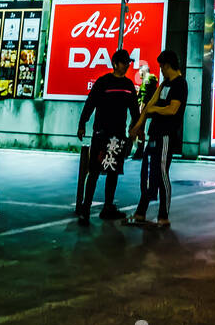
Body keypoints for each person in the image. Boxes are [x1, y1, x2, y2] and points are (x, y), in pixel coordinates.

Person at [124, 50, 187, 227]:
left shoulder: (180, 84)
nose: (161, 70)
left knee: (161, 173)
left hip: (166, 135)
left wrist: (153, 111)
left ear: (168, 65)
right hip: (154, 133)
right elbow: (150, 104)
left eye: (162, 66)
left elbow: (172, 109)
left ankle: (163, 216)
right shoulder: (165, 84)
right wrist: (138, 126)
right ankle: (140, 213)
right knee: (147, 173)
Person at [76, 49, 140, 225]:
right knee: (94, 171)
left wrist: (136, 129)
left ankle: (108, 207)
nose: (127, 65)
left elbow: (135, 110)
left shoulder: (128, 86)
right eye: (124, 62)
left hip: (117, 135)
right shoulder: (103, 82)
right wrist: (82, 124)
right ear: (115, 64)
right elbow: (90, 104)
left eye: (128, 62)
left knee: (113, 172)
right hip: (101, 134)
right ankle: (85, 209)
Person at [130, 65, 158, 160]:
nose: (139, 74)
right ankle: (139, 150)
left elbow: (144, 96)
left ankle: (139, 151)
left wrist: (141, 108)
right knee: (140, 129)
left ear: (143, 71)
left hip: (142, 109)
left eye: (140, 71)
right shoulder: (151, 80)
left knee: (137, 129)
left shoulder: (147, 79)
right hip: (146, 109)